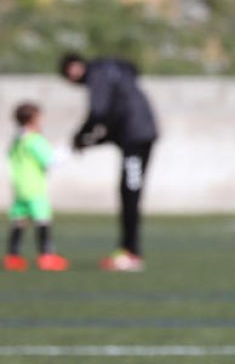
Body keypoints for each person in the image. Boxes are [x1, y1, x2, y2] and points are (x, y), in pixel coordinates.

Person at [59, 51, 159, 272]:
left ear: (75, 68)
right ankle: (127, 249)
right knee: (128, 191)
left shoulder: (98, 73)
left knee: (130, 192)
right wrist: (89, 141)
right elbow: (112, 120)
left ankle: (131, 253)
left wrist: (80, 135)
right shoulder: (113, 72)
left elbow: (98, 112)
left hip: (136, 136)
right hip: (136, 133)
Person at [5, 102, 70, 272]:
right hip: (35, 187)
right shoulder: (35, 140)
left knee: (19, 221)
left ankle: (13, 257)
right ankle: (46, 256)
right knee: (43, 220)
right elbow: (51, 160)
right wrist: (68, 150)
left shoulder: (17, 140)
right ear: (33, 119)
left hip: (20, 187)